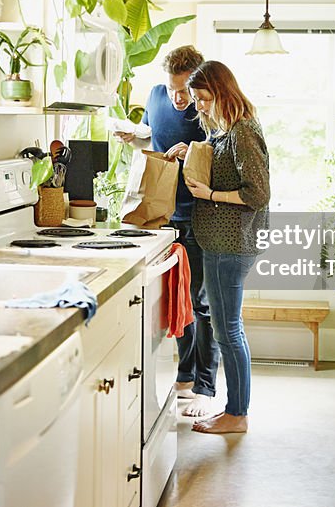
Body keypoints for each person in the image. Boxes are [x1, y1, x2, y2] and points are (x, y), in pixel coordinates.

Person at [115, 45, 219, 417]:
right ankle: (186, 373)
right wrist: (136, 137)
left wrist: (191, 148)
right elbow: (152, 135)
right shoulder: (157, 96)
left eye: (183, 90)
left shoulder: (208, 105)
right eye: (172, 88)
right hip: (162, 215)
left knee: (201, 304)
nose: (178, 98)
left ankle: (206, 385)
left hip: (200, 216)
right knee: (178, 301)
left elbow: (221, 151)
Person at [183, 60, 270, 434]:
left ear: (221, 92)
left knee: (227, 332)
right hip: (223, 242)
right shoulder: (228, 130)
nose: (198, 106)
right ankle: (235, 410)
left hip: (230, 244)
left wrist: (211, 194)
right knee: (230, 330)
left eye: (202, 98)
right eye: (195, 99)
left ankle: (237, 415)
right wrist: (191, 152)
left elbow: (258, 193)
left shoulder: (242, 132)